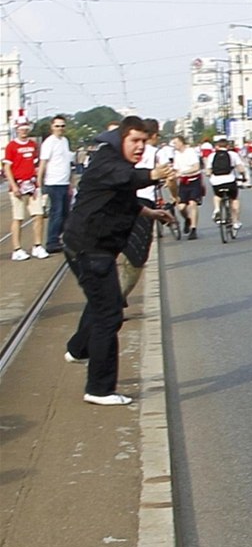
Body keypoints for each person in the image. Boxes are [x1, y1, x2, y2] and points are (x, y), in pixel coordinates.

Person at [62, 116, 175, 404]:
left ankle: (77, 349)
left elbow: (120, 196)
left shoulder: (116, 161)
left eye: (143, 141)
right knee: (109, 314)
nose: (140, 147)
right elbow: (124, 179)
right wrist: (153, 174)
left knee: (101, 302)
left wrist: (148, 213)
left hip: (92, 246)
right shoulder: (107, 160)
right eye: (134, 141)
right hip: (90, 249)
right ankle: (99, 389)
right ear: (121, 138)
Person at [6, 118, 46, 260]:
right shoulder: (11, 146)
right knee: (18, 217)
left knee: (38, 215)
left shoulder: (33, 145)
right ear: (17, 129)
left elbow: (36, 164)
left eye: (26, 127)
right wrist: (14, 185)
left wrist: (38, 180)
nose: (23, 130)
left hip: (32, 185)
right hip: (18, 185)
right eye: (21, 127)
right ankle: (17, 249)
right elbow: (7, 167)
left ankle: (37, 245)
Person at [39, 115, 74, 253]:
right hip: (53, 183)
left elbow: (68, 163)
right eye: (57, 126)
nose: (60, 128)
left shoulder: (64, 141)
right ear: (52, 127)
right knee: (56, 213)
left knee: (65, 213)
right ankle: (51, 242)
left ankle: (59, 238)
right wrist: (39, 182)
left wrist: (71, 183)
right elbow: (43, 163)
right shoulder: (49, 142)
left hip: (64, 183)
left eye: (62, 126)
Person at [206, 138, 246, 237]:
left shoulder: (212, 156)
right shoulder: (233, 155)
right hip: (230, 180)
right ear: (227, 146)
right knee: (234, 199)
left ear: (217, 146)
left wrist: (210, 175)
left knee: (217, 195)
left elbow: (208, 171)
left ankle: (216, 209)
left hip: (216, 182)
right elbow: (240, 168)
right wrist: (243, 176)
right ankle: (235, 221)